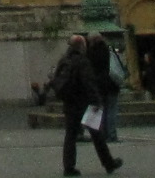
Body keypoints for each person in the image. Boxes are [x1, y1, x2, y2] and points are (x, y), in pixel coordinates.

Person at [50, 33, 121, 176]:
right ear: (81, 46)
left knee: (70, 136)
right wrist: (96, 101)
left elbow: (56, 80)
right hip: (85, 104)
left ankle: (69, 167)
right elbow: (89, 83)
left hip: (69, 103)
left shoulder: (64, 60)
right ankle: (108, 163)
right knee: (97, 135)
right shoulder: (82, 61)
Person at [86, 35, 119, 144]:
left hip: (97, 85)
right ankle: (111, 135)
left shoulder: (89, 53)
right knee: (111, 110)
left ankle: (100, 134)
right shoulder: (109, 51)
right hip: (111, 84)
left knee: (99, 110)